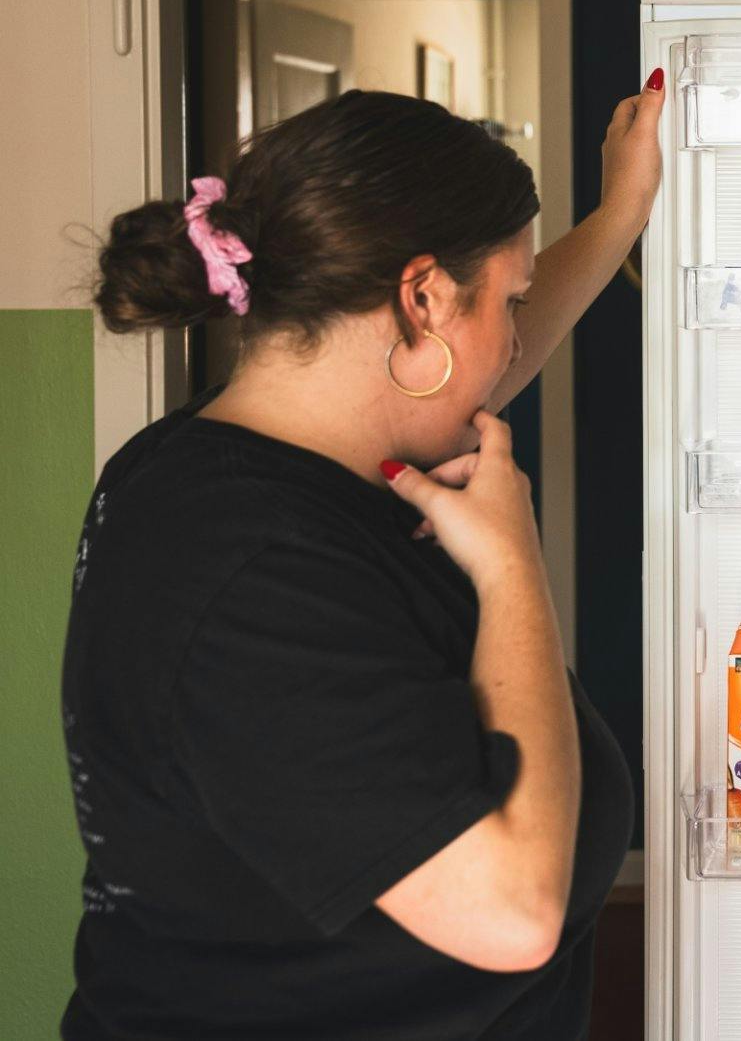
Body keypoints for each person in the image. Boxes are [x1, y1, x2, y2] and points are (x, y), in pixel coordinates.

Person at [63, 71, 666, 1039]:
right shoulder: (250, 570)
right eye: (508, 300)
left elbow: (467, 363)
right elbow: (510, 912)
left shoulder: (234, 458)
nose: (515, 342)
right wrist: (513, 565)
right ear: (421, 296)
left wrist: (619, 215)